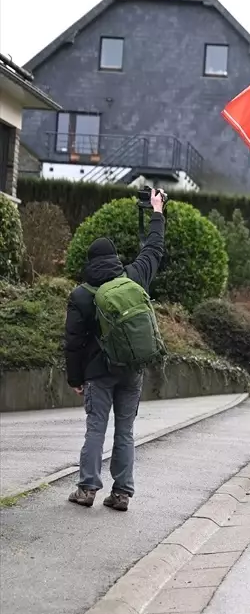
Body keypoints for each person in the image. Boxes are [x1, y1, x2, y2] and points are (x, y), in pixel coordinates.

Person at [66, 189, 167, 511]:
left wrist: (75, 379)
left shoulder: (81, 295)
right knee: (125, 431)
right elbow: (153, 248)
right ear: (114, 260)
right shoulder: (134, 277)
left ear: (90, 262)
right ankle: (121, 493)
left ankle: (87, 489)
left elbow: (73, 342)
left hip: (98, 372)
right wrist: (157, 210)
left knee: (96, 428)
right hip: (132, 370)